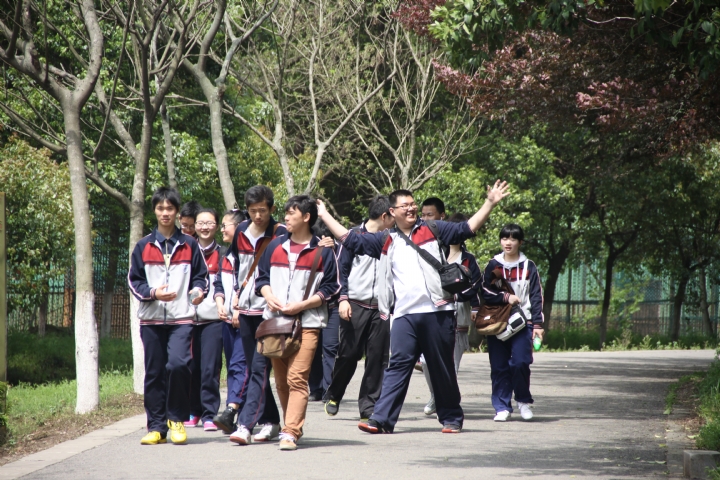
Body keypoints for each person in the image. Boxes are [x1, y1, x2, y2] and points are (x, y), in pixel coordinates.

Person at [317, 180, 509, 435]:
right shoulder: (386, 239)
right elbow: (349, 239)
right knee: (397, 366)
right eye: (404, 205)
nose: (411, 208)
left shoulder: (433, 228)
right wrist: (324, 214)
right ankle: (381, 419)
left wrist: (489, 203)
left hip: (438, 312)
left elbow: (467, 228)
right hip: (404, 316)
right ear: (392, 212)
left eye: (413, 204)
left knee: (441, 367)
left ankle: (451, 417)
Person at [255, 195, 341, 450]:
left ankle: (291, 431)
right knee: (281, 382)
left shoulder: (323, 250)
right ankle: (289, 427)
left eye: (291, 213)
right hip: (276, 324)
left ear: (306, 217)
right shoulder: (275, 246)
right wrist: (269, 296)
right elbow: (261, 278)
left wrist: (301, 305)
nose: (286, 217)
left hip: (309, 323)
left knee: (297, 378)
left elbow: (331, 288)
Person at [128, 187, 208, 445]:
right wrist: (153, 293)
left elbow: (201, 277)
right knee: (154, 372)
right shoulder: (143, 245)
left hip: (181, 318)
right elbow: (134, 281)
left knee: (178, 365)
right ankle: (156, 427)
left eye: (170, 208)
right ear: (154, 211)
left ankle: (176, 419)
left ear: (177, 212)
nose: (165, 213)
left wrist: (197, 292)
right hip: (151, 319)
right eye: (160, 208)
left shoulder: (190, 244)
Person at [216, 186, 287, 445]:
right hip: (245, 309)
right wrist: (236, 294)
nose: (258, 215)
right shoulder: (241, 231)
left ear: (271, 208)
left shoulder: (281, 233)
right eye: (253, 211)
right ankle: (271, 421)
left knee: (259, 368)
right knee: (254, 368)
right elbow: (237, 265)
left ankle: (245, 425)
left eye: (263, 210)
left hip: (269, 310)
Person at [324, 195, 395, 421]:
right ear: (384, 216)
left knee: (377, 358)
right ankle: (335, 393)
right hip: (355, 303)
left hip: (381, 307)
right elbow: (341, 270)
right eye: (393, 216)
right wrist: (343, 299)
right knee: (349, 354)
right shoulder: (353, 236)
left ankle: (368, 407)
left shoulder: (393, 238)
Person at [421, 213, 482, 416]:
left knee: (450, 366)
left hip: (458, 318)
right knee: (426, 362)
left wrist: (461, 298)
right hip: (434, 314)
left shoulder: (468, 259)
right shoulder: (436, 253)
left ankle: (447, 405)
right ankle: (436, 395)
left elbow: (475, 285)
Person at [481, 223, 544, 422]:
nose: (508, 242)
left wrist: (538, 325)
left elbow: (536, 296)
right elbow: (485, 291)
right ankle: (502, 407)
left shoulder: (529, 266)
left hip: (523, 323)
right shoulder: (493, 265)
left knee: (520, 363)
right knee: (499, 366)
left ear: (520, 242)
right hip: (498, 323)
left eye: (513, 239)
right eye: (504, 238)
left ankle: (523, 402)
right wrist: (505, 297)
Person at [185, 208, 224, 431]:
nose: (204, 227)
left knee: (210, 368)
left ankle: (210, 413)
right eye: (200, 223)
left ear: (216, 226)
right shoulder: (186, 252)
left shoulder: (224, 254)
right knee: (190, 367)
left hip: (213, 320)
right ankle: (193, 411)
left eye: (209, 223)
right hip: (187, 319)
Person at [213, 209, 248, 433]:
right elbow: (219, 283)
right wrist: (219, 302)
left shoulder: (249, 256)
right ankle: (246, 416)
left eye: (226, 225)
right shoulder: (225, 255)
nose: (222, 229)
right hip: (227, 322)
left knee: (239, 366)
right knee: (233, 367)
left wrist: (240, 309)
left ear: (239, 227)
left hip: (247, 321)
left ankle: (231, 410)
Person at [308, 220, 342, 402]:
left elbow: (342, 273)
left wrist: (334, 248)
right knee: (312, 347)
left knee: (330, 347)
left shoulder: (341, 249)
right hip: (312, 306)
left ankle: (329, 389)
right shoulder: (308, 249)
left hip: (333, 306)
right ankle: (315, 388)